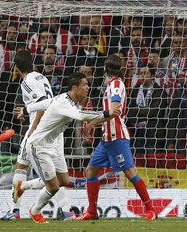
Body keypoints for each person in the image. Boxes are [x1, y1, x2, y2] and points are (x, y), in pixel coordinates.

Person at [23, 72, 121, 223]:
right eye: (84, 85)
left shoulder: (64, 98)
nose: (88, 87)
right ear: (75, 87)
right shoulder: (65, 103)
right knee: (54, 186)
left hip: (51, 146)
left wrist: (26, 110)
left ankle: (24, 186)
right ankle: (35, 211)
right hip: (38, 146)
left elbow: (45, 103)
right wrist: (107, 113)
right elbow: (82, 116)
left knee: (63, 180)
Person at [76, 55, 157, 221]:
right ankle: (92, 211)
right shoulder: (112, 85)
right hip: (107, 139)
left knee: (130, 173)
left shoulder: (116, 85)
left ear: (105, 68)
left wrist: (92, 123)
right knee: (90, 170)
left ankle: (151, 210)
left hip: (117, 137)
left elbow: (114, 110)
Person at [1, 50, 73, 221]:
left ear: (16, 67)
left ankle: (15, 210)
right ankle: (67, 209)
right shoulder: (41, 76)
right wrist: (26, 113)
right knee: (56, 175)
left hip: (40, 130)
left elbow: (41, 104)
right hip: (53, 128)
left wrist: (32, 130)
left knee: (23, 166)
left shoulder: (26, 82)